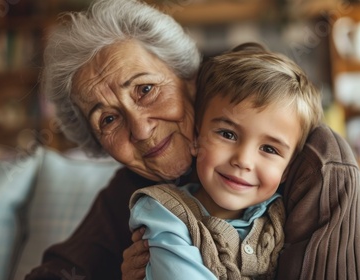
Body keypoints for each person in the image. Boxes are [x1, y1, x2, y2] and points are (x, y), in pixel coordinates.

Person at [26, 0, 360, 279]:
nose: (140, 129)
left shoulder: (315, 161)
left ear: (189, 79)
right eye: (107, 119)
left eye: (146, 89)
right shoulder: (137, 187)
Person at [128, 42, 322, 279]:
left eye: (269, 149)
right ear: (196, 137)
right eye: (227, 134)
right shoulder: (162, 212)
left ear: (287, 169)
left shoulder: (285, 216)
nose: (243, 160)